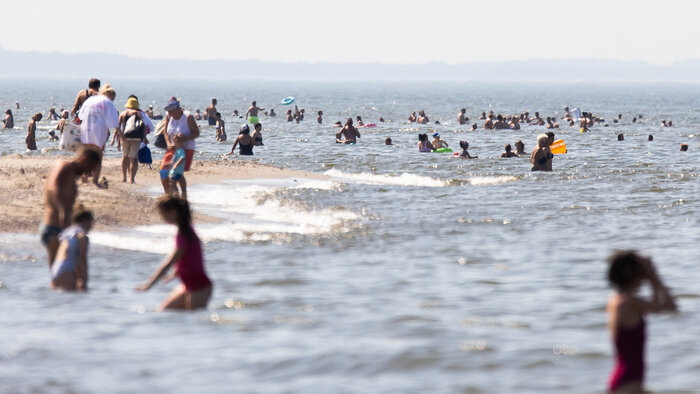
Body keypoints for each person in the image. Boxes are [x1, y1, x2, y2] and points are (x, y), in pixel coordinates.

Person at [606, 251, 676, 393]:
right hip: (629, 381)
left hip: (622, 379)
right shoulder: (630, 302)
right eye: (640, 271)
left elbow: (659, 306)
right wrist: (654, 277)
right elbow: (670, 307)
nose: (643, 277)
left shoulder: (616, 301)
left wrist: (651, 277)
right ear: (628, 273)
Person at [136, 196, 212, 311]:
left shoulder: (185, 235)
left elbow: (169, 262)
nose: (162, 217)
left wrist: (149, 284)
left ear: (173, 212)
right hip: (188, 285)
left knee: (193, 320)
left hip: (198, 286)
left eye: (163, 213)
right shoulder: (186, 230)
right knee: (164, 311)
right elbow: (189, 258)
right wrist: (176, 272)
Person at [41, 147, 101, 266]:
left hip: (62, 228)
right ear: (84, 159)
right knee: (59, 273)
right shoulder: (64, 166)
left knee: (67, 272)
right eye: (90, 168)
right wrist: (63, 210)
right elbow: (53, 188)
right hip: (53, 228)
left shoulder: (71, 174)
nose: (88, 173)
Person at [78, 84, 119, 187]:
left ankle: (85, 176)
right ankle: (95, 181)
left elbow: (80, 115)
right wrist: (120, 136)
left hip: (86, 128)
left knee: (86, 154)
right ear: (110, 95)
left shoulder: (90, 100)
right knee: (98, 156)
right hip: (98, 130)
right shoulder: (107, 102)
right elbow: (113, 122)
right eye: (113, 98)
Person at [160, 97, 199, 196]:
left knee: (178, 173)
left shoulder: (188, 117)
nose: (169, 113)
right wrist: (168, 143)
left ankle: (182, 195)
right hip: (172, 148)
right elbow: (165, 132)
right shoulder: (168, 116)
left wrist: (184, 138)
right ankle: (169, 195)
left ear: (177, 109)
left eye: (171, 111)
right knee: (163, 171)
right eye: (168, 111)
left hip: (186, 148)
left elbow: (196, 133)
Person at [50, 205, 93, 292]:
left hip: (55, 268)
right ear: (86, 221)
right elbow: (81, 259)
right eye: (91, 222)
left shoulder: (68, 232)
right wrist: (84, 280)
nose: (91, 226)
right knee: (76, 299)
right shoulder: (82, 236)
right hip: (65, 270)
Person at [111, 96, 153, 184]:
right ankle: (132, 179)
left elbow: (117, 126)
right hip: (137, 138)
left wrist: (119, 138)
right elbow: (143, 127)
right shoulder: (139, 113)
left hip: (125, 138)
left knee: (125, 156)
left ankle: (124, 178)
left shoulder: (123, 113)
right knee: (134, 158)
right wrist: (144, 138)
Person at [161, 135, 188, 200]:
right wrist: (167, 164)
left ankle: (181, 199)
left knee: (181, 186)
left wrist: (176, 164)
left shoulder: (181, 150)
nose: (173, 144)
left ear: (178, 142)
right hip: (174, 172)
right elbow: (173, 161)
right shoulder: (176, 152)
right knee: (173, 185)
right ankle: (175, 197)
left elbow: (182, 158)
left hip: (178, 172)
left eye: (174, 142)